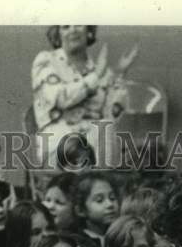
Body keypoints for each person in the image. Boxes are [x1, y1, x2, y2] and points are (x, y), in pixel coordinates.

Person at [30, 25, 138, 168]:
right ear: (57, 34)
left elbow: (109, 113)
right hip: (57, 142)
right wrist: (96, 76)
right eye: (66, 27)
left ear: (88, 32)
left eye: (79, 25)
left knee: (106, 127)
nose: (73, 30)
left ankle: (101, 183)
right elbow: (60, 98)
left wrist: (119, 73)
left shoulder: (93, 67)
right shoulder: (46, 60)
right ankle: (97, 181)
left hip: (92, 143)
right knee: (89, 141)